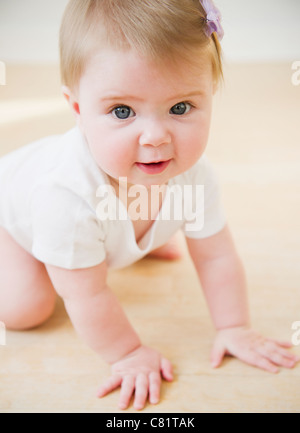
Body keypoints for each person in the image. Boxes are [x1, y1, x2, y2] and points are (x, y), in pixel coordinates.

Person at [0, 0, 298, 411]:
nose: (155, 136)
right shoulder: (65, 195)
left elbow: (216, 257)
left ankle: (124, 238)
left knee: (132, 224)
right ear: (78, 110)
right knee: (24, 310)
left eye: (180, 108)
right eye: (122, 111)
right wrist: (126, 353)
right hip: (14, 221)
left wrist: (235, 327)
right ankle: (73, 253)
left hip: (97, 219)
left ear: (210, 97)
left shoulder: (193, 175)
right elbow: (87, 296)